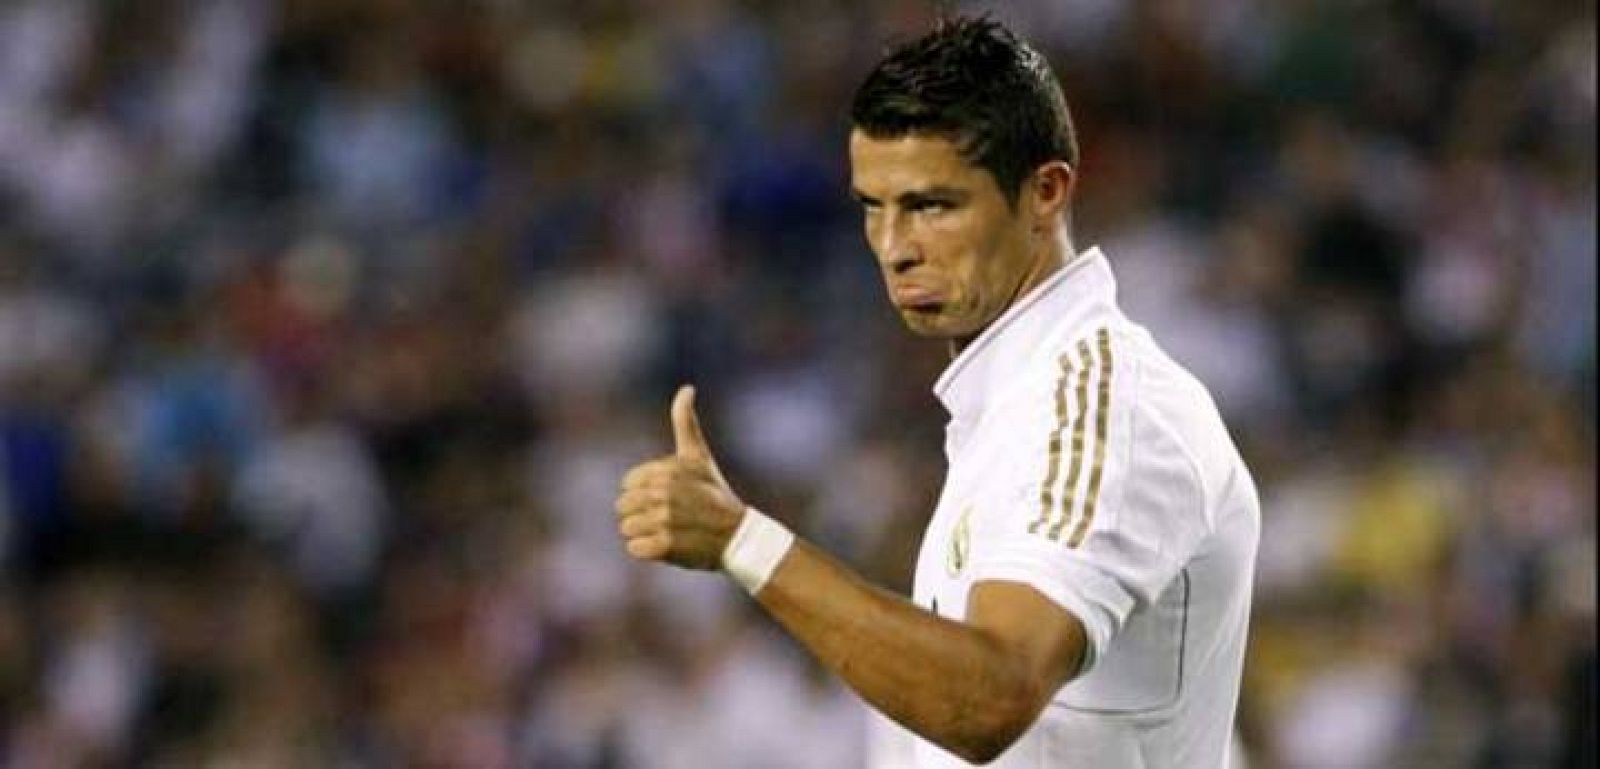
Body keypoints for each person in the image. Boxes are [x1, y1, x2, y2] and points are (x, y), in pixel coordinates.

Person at [613, 16, 1259, 768]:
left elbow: (993, 696)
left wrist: (741, 539)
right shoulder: (1010, 407)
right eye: (871, 206)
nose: (893, 247)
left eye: (931, 205)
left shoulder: (1103, 405)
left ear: (1045, 192)